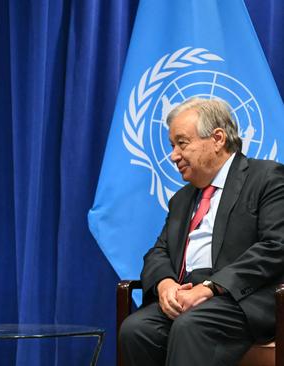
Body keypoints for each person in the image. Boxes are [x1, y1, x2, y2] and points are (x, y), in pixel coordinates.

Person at [119, 97, 284, 365]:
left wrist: (210, 288)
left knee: (191, 326)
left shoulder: (266, 178)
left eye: (182, 143)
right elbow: (158, 252)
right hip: (190, 295)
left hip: (242, 299)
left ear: (217, 138)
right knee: (137, 329)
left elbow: (275, 246)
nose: (173, 155)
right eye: (172, 146)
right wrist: (165, 284)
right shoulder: (182, 199)